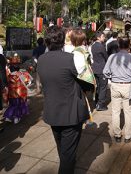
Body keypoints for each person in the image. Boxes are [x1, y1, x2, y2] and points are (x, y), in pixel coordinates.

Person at [37, 26, 89, 174]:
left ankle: (68, 164)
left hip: (52, 111)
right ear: (63, 41)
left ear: (47, 42)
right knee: (67, 154)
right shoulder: (70, 59)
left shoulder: (41, 59)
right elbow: (87, 83)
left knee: (62, 149)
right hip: (70, 113)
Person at [103, 37, 131, 143]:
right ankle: (128, 136)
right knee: (128, 112)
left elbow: (105, 71)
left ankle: (117, 135)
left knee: (115, 111)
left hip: (115, 85)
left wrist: (113, 76)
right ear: (129, 45)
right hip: (128, 86)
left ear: (119, 45)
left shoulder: (112, 57)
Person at [3, 58, 32, 124]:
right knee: (18, 105)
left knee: (12, 105)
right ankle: (16, 117)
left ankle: (8, 117)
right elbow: (28, 81)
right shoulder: (22, 73)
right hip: (20, 93)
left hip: (11, 93)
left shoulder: (8, 74)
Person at [91, 31, 108, 111]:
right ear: (98, 37)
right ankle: (101, 104)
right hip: (101, 68)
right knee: (103, 87)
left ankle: (97, 102)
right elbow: (106, 57)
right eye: (102, 36)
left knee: (98, 86)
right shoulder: (101, 46)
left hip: (95, 68)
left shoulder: (93, 46)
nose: (104, 38)